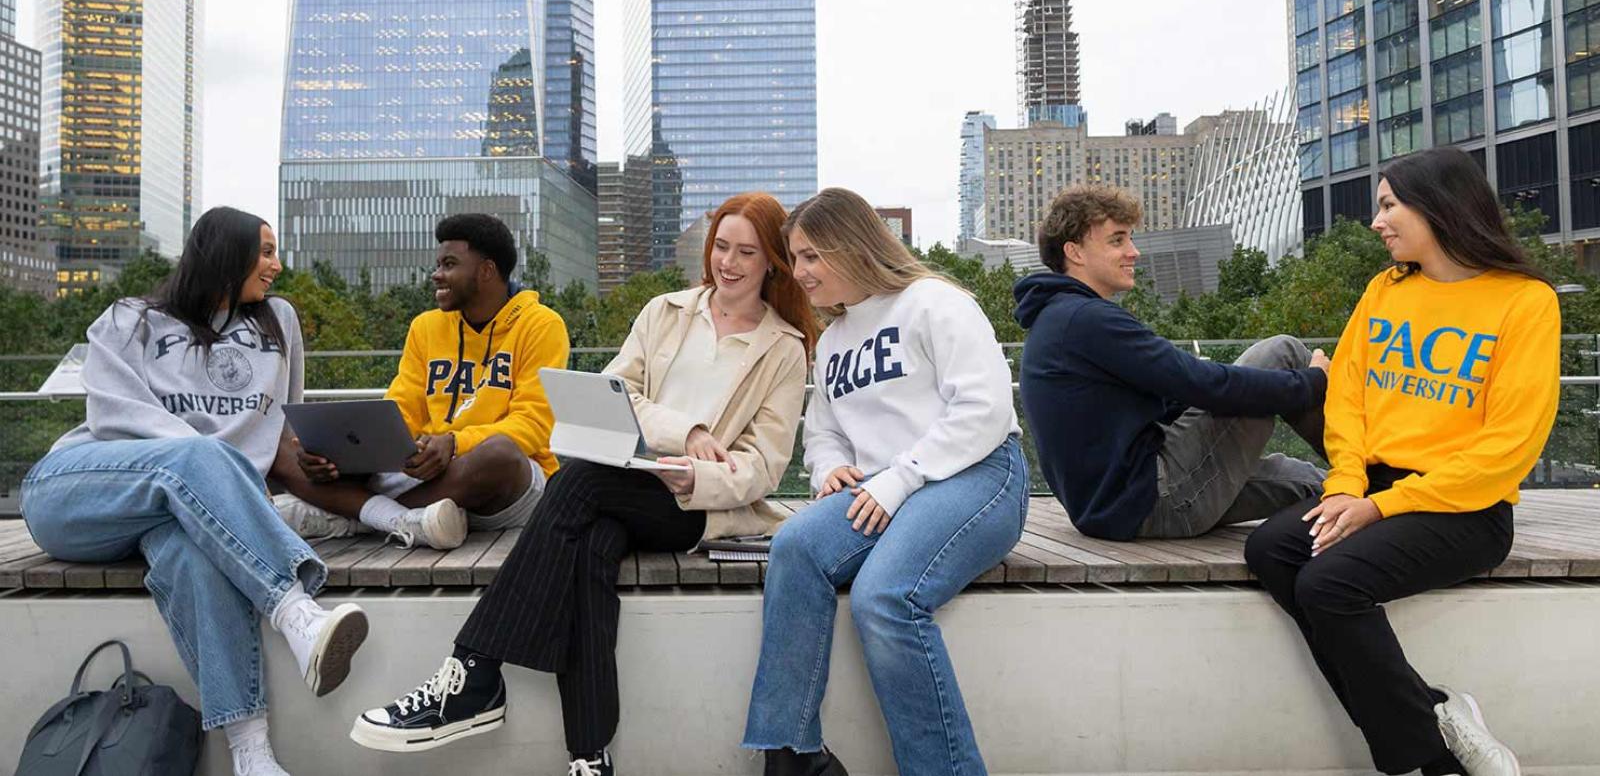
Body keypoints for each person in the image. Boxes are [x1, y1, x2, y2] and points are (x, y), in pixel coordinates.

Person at [348, 193, 818, 776]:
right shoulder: (665, 312)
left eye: (747, 252)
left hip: (694, 502)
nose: (729, 262)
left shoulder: (784, 347)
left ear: (771, 261)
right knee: (589, 547)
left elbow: (765, 464)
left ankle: (473, 671)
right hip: (627, 479)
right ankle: (589, 758)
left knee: (578, 481)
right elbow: (617, 392)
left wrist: (695, 471)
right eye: (721, 246)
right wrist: (687, 431)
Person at [20, 208, 368, 776]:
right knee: (196, 456)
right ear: (227, 254)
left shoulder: (277, 322)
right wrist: (213, 468)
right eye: (265, 251)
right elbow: (114, 415)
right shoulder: (131, 318)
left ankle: (251, 754)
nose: (277, 265)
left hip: (182, 505)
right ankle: (296, 612)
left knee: (195, 558)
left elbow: (281, 424)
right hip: (79, 490)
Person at [1245, 148, 1559, 776]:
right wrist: (1345, 486)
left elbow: (1510, 444)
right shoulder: (1385, 291)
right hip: (1374, 489)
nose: (1376, 221)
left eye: (1389, 205)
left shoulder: (1525, 302)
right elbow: (1348, 398)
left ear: (1438, 206)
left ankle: (1428, 765)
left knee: (1329, 584)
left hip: (1465, 506)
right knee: (1272, 550)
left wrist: (1382, 506)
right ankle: (1434, 715)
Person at [742, 187, 1026, 776]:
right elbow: (823, 432)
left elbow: (985, 409)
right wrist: (829, 469)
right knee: (794, 547)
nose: (799, 271)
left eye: (812, 256)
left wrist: (900, 478)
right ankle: (793, 756)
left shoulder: (934, 302)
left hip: (977, 473)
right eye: (795, 258)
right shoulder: (834, 340)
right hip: (881, 489)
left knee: (885, 595)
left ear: (853, 245)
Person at [1014, 183, 1330, 540]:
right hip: (1157, 497)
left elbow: (1173, 399)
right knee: (1283, 353)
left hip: (1121, 507)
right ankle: (1373, 470)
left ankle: (1370, 492)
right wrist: (1313, 383)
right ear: (1075, 252)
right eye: (1117, 240)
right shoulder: (1085, 319)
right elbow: (1202, 384)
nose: (1133, 252)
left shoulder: (1060, 318)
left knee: (1314, 484)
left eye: (1131, 238)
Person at [275, 213, 570, 550]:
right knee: (296, 450)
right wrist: (347, 449)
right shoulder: (426, 326)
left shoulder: (541, 325)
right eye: (438, 264)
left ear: (486, 271)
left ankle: (355, 519)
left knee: (500, 454)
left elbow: (533, 426)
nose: (436, 274)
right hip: (429, 476)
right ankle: (396, 517)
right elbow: (404, 409)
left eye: (449, 264)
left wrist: (454, 444)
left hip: (502, 483)